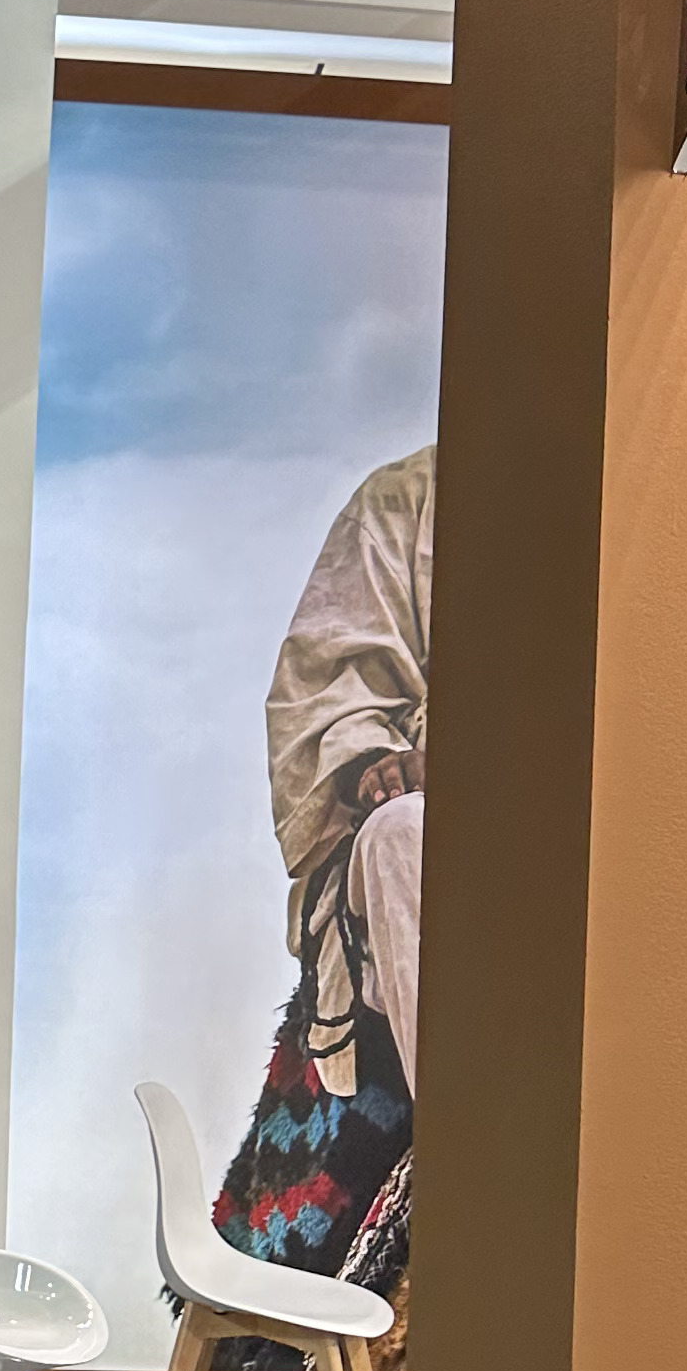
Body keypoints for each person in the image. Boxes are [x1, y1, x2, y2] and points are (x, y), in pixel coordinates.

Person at [267, 442, 432, 1097]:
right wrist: (373, 762)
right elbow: (323, 696)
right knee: (401, 836)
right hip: (438, 833)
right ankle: (463, 1129)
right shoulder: (402, 501)